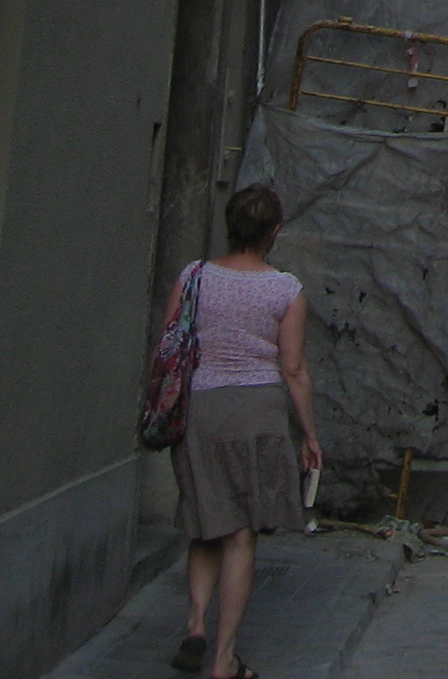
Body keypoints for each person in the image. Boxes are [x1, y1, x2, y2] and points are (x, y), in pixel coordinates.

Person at [169, 184, 322, 679]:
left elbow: (170, 343)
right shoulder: (285, 290)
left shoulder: (194, 277)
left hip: (201, 408)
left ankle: (196, 624)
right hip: (258, 412)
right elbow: (293, 368)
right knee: (240, 536)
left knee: (204, 517)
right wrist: (310, 435)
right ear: (274, 232)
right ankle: (224, 659)